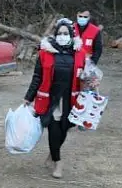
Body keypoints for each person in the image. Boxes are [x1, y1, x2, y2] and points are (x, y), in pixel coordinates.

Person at [24, 18, 86, 179]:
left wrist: (92, 80)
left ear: (72, 35)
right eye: (59, 33)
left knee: (64, 128)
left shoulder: (79, 53)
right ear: (55, 34)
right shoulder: (46, 52)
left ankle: (53, 153)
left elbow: (86, 74)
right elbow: (37, 76)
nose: (62, 36)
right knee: (53, 129)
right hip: (51, 98)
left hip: (70, 98)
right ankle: (58, 162)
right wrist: (28, 97)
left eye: (66, 33)